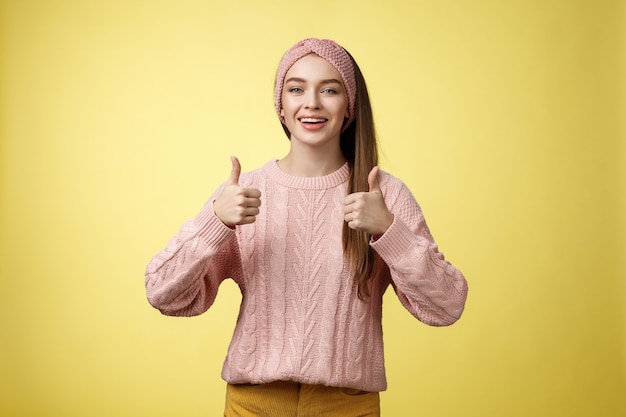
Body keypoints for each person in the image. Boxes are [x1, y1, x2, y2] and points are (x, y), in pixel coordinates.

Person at [145, 38, 468, 417]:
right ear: (281, 106)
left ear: (349, 106)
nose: (311, 102)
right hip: (254, 404)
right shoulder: (243, 194)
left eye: (329, 90)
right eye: (296, 88)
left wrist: (390, 232)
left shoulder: (382, 196)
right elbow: (162, 293)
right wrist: (213, 222)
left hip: (348, 407)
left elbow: (447, 306)